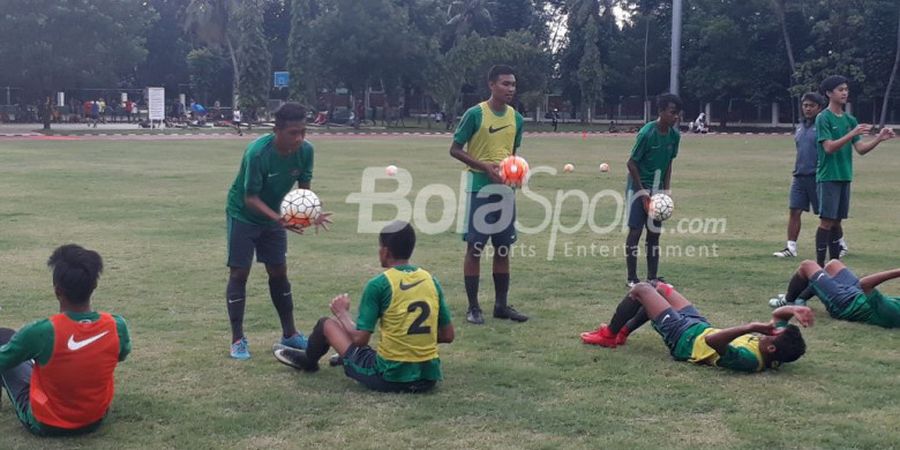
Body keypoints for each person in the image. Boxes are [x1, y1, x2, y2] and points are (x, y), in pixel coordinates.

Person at [273, 221, 454, 393]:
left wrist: (342, 313)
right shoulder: (431, 280)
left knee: (325, 325)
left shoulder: (379, 284)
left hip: (389, 377)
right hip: (428, 378)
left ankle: (308, 361)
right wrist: (409, 341)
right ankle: (339, 357)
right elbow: (447, 335)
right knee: (369, 346)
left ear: (385, 251)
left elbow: (360, 339)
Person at [224, 102, 333, 360]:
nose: (299, 138)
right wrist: (280, 219)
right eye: (293, 132)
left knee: (279, 271)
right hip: (243, 213)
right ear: (277, 130)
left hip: (275, 216)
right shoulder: (257, 153)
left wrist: (310, 213)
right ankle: (238, 339)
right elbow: (250, 197)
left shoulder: (306, 151)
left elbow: (304, 191)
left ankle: (290, 334)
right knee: (240, 272)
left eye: (303, 132)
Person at [0, 244, 131, 436]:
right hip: (95, 419)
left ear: (57, 290)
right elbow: (121, 355)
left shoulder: (42, 331)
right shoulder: (116, 325)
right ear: (94, 286)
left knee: (4, 339)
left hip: (46, 423)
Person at [581, 281, 812, 372]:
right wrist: (793, 310)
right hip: (699, 325)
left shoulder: (750, 360)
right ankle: (622, 333)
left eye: (772, 334)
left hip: (684, 339)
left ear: (771, 349)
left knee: (641, 290)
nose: (769, 330)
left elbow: (713, 342)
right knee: (660, 287)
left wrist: (750, 326)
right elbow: (777, 316)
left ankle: (610, 335)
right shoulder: (772, 347)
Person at [450, 64, 528, 324]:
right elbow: (455, 149)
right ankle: (473, 308)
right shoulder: (475, 114)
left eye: (513, 84)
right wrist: (485, 166)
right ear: (491, 85)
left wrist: (515, 173)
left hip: (505, 191)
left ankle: (501, 306)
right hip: (479, 188)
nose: (510, 89)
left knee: (503, 249)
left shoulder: (517, 119)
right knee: (475, 248)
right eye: (505, 84)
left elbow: (512, 154)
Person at [813, 75, 895, 267]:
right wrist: (851, 133)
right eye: (840, 89)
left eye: (846, 89)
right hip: (828, 176)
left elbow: (860, 149)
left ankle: (834, 266)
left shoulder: (850, 119)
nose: (844, 92)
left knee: (837, 221)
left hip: (845, 176)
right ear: (828, 93)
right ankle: (818, 266)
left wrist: (879, 139)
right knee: (826, 221)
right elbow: (829, 147)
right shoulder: (823, 117)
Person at [773, 93, 849, 258]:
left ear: (819, 108)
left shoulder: (823, 126)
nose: (807, 109)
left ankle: (840, 243)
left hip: (819, 177)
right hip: (800, 176)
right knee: (794, 210)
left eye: (811, 106)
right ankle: (790, 247)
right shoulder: (800, 126)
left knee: (829, 216)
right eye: (805, 105)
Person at [624, 94, 682, 287]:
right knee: (635, 232)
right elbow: (631, 164)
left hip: (657, 190)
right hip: (638, 186)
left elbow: (668, 165)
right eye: (673, 113)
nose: (676, 117)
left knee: (654, 233)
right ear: (661, 112)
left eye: (678, 114)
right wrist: (642, 194)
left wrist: (665, 192)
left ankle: (652, 277)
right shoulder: (647, 133)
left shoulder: (675, 136)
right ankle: (632, 279)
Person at [769, 260, 900, 328]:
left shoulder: (895, 313)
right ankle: (801, 298)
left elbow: (864, 284)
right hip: (858, 296)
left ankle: (788, 301)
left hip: (847, 305)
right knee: (833, 265)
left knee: (807, 266)